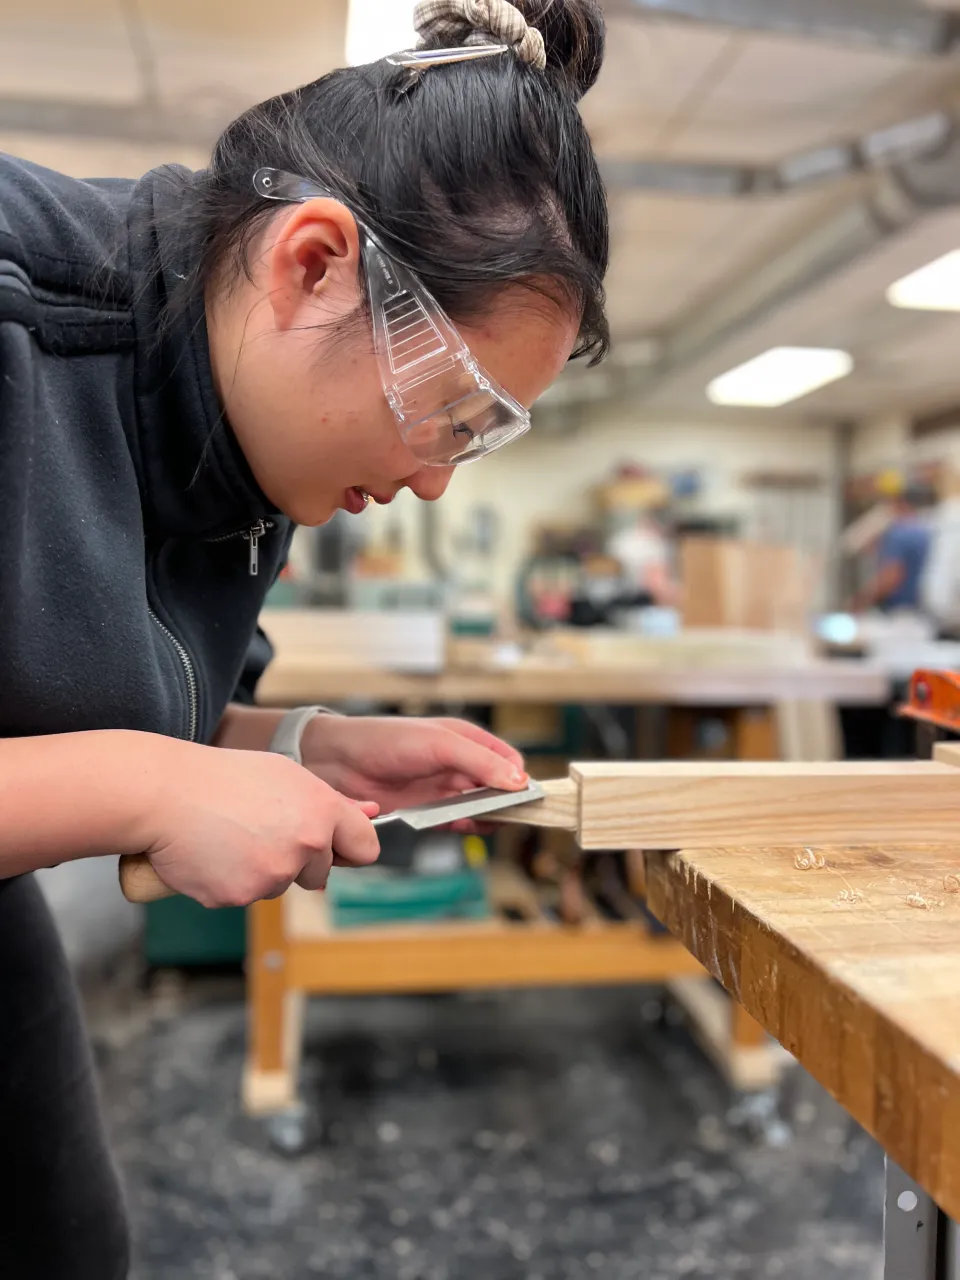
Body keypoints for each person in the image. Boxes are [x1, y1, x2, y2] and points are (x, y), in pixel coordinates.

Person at [0, 1, 609, 1274]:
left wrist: (301, 742)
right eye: (446, 410)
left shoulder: (240, 420)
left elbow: (95, 687)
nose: (439, 481)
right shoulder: (22, 322)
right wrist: (149, 787)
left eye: (477, 436)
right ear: (315, 263)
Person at [853, 483, 932, 613]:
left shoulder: (899, 533)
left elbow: (891, 576)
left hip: (899, 612)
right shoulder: (926, 530)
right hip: (923, 610)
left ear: (900, 503)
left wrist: (860, 602)